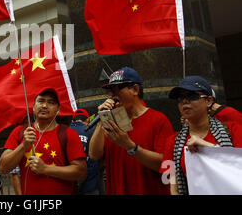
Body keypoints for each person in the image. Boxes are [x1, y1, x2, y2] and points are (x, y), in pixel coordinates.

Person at [88, 67, 173, 195]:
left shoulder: (158, 120)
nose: (113, 96)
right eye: (110, 91)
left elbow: (166, 164)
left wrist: (130, 146)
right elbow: (94, 154)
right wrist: (102, 119)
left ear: (135, 89)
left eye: (117, 89)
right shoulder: (112, 121)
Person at [161, 75, 242, 195]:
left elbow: (238, 167)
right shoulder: (173, 141)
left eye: (192, 96)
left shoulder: (232, 130)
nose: (184, 101)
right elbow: (171, 185)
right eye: (180, 98)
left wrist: (209, 147)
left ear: (208, 101)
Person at [0, 88, 87, 195]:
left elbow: (81, 172)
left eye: (51, 102)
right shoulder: (20, 132)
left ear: (58, 109)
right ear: (34, 106)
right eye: (41, 101)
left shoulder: (68, 133)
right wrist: (24, 145)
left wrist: (45, 169)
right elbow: (4, 168)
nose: (44, 106)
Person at [69, 108, 100, 194]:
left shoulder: (64, 132)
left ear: (72, 120)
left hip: (70, 185)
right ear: (88, 120)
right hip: (90, 185)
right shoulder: (93, 131)